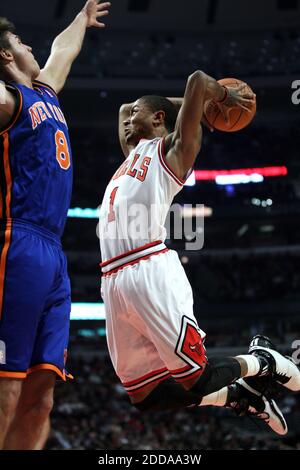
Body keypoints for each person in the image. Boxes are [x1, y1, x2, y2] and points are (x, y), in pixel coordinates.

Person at [99, 72, 300, 437]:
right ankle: (241, 398)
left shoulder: (175, 151)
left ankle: (263, 361)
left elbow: (196, 80)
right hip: (112, 279)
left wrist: (215, 97)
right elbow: (123, 107)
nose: (128, 120)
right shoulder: (132, 153)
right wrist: (190, 106)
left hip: (148, 270)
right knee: (145, 396)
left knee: (197, 377)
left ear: (160, 119)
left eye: (139, 116)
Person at [0, 0, 110, 450]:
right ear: (6, 55)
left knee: (41, 394)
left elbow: (63, 49)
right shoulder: (8, 99)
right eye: (21, 41)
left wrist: (81, 19)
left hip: (53, 254)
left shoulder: (45, 92)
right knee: (6, 383)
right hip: (17, 241)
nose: (32, 46)